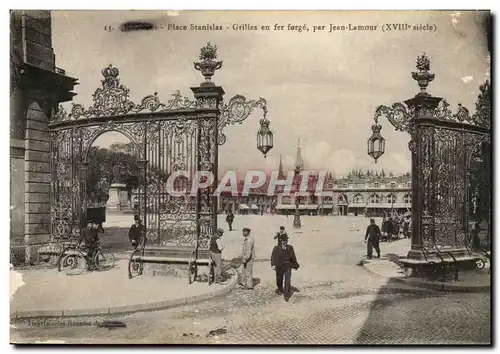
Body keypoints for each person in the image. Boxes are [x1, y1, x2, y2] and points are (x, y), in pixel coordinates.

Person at [271, 234, 299, 302]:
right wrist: (273, 264)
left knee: (287, 280)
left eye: (286, 240)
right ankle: (280, 289)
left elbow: (293, 256)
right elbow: (273, 257)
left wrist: (295, 264)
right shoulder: (276, 248)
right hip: (279, 266)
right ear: (281, 241)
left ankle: (286, 295)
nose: (285, 242)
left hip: (288, 265)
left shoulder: (290, 247)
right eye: (283, 240)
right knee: (279, 279)